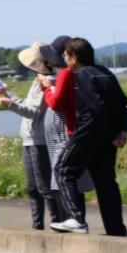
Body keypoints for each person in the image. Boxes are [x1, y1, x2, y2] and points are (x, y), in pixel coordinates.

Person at [51, 38, 127, 236]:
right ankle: (116, 229)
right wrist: (122, 131)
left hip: (89, 132)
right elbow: (123, 103)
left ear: (74, 57)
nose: (64, 59)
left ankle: (76, 219)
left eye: (65, 55)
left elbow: (96, 107)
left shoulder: (82, 74)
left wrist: (114, 132)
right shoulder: (105, 72)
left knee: (63, 170)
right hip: (107, 137)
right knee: (106, 182)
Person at [0, 41, 62, 230]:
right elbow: (28, 105)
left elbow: (33, 112)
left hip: (39, 140)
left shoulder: (47, 81)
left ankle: (57, 222)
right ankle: (37, 225)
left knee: (43, 187)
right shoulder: (39, 80)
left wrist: (10, 104)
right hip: (29, 139)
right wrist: (9, 95)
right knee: (32, 188)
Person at [38, 35, 93, 228]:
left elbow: (56, 102)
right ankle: (75, 220)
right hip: (75, 131)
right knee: (72, 178)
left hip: (67, 133)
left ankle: (74, 220)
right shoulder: (78, 73)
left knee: (63, 175)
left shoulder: (66, 74)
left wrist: (46, 89)